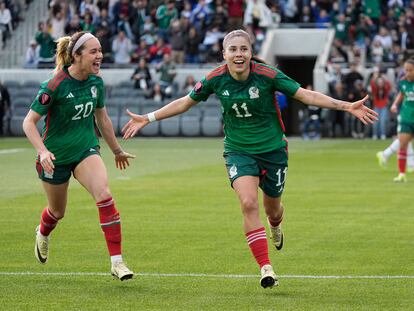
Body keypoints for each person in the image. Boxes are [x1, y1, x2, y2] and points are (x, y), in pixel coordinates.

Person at [121, 29, 378, 289]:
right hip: (238, 150)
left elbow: (306, 95)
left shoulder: (267, 76)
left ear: (251, 53)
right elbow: (186, 102)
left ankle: (275, 225)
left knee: (273, 210)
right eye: (233, 50)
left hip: (273, 151)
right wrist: (149, 117)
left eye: (243, 49)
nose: (238, 54)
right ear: (224, 54)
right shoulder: (215, 79)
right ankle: (266, 268)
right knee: (247, 202)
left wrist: (347, 106)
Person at [22, 31, 135, 281]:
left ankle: (117, 262)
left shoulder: (97, 82)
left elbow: (102, 118)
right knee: (57, 212)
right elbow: (29, 123)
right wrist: (42, 152)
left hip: (85, 150)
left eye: (100, 51)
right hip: (55, 157)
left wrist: (117, 150)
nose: (100, 56)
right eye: (94, 51)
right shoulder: (54, 85)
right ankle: (42, 232)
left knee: (104, 195)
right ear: (77, 56)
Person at [388, 58, 414, 182]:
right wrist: (394, 104)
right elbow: (402, 94)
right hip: (406, 118)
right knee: (402, 145)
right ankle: (402, 174)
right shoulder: (403, 82)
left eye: (410, 70)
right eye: (406, 70)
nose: (407, 73)